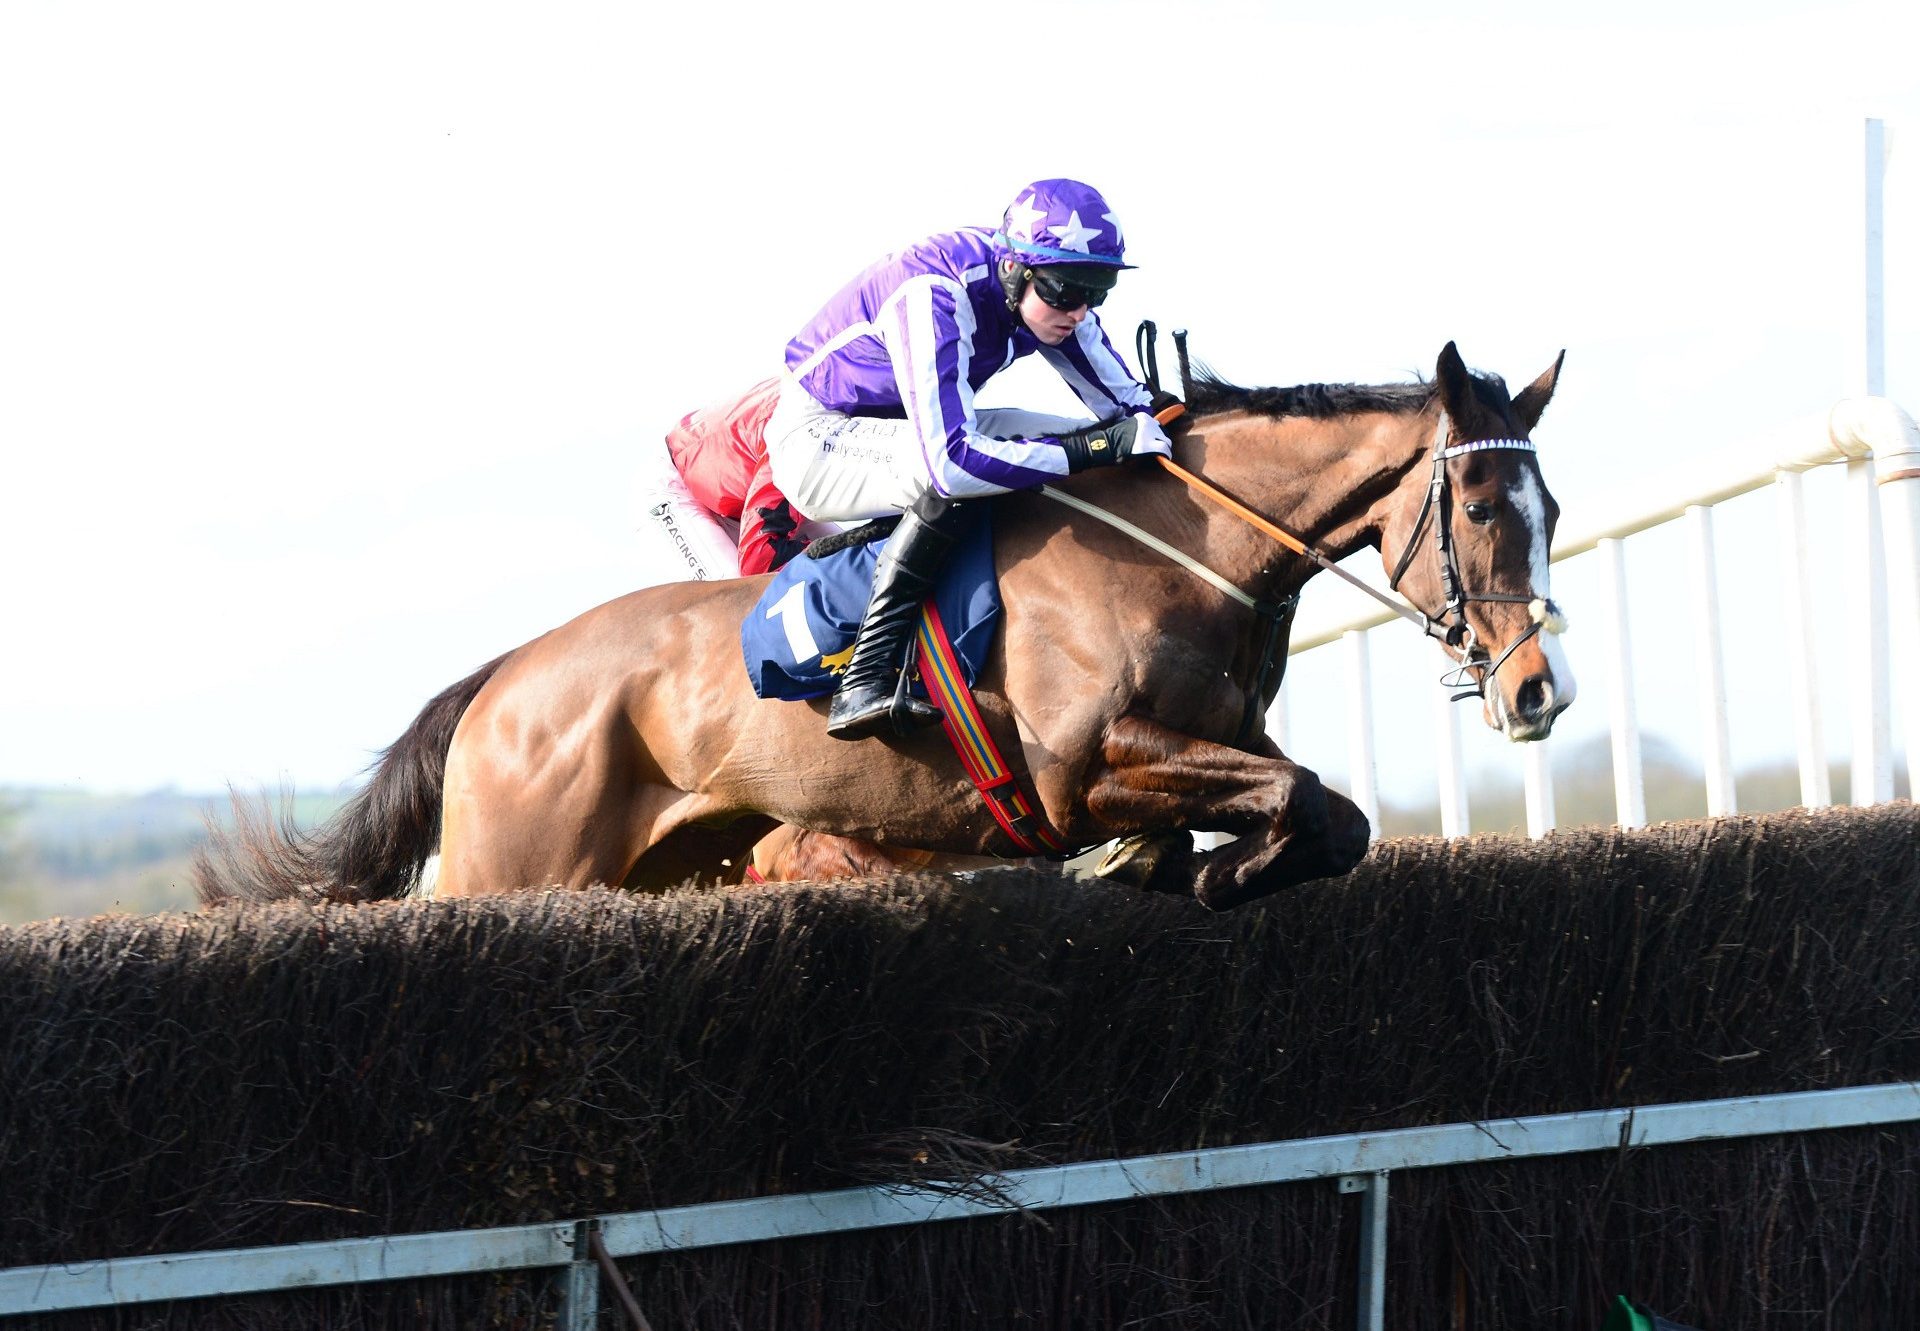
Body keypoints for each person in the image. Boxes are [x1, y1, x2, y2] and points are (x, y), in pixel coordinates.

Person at [767, 177, 1174, 740]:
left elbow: (1129, 409)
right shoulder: (934, 295)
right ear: (1014, 269)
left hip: (908, 428)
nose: (1080, 312)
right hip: (820, 437)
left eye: (1097, 292)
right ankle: (865, 676)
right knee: (983, 470)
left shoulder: (1048, 295)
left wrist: (1159, 427)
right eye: (1065, 292)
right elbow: (952, 464)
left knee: (1089, 439)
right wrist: (1094, 448)